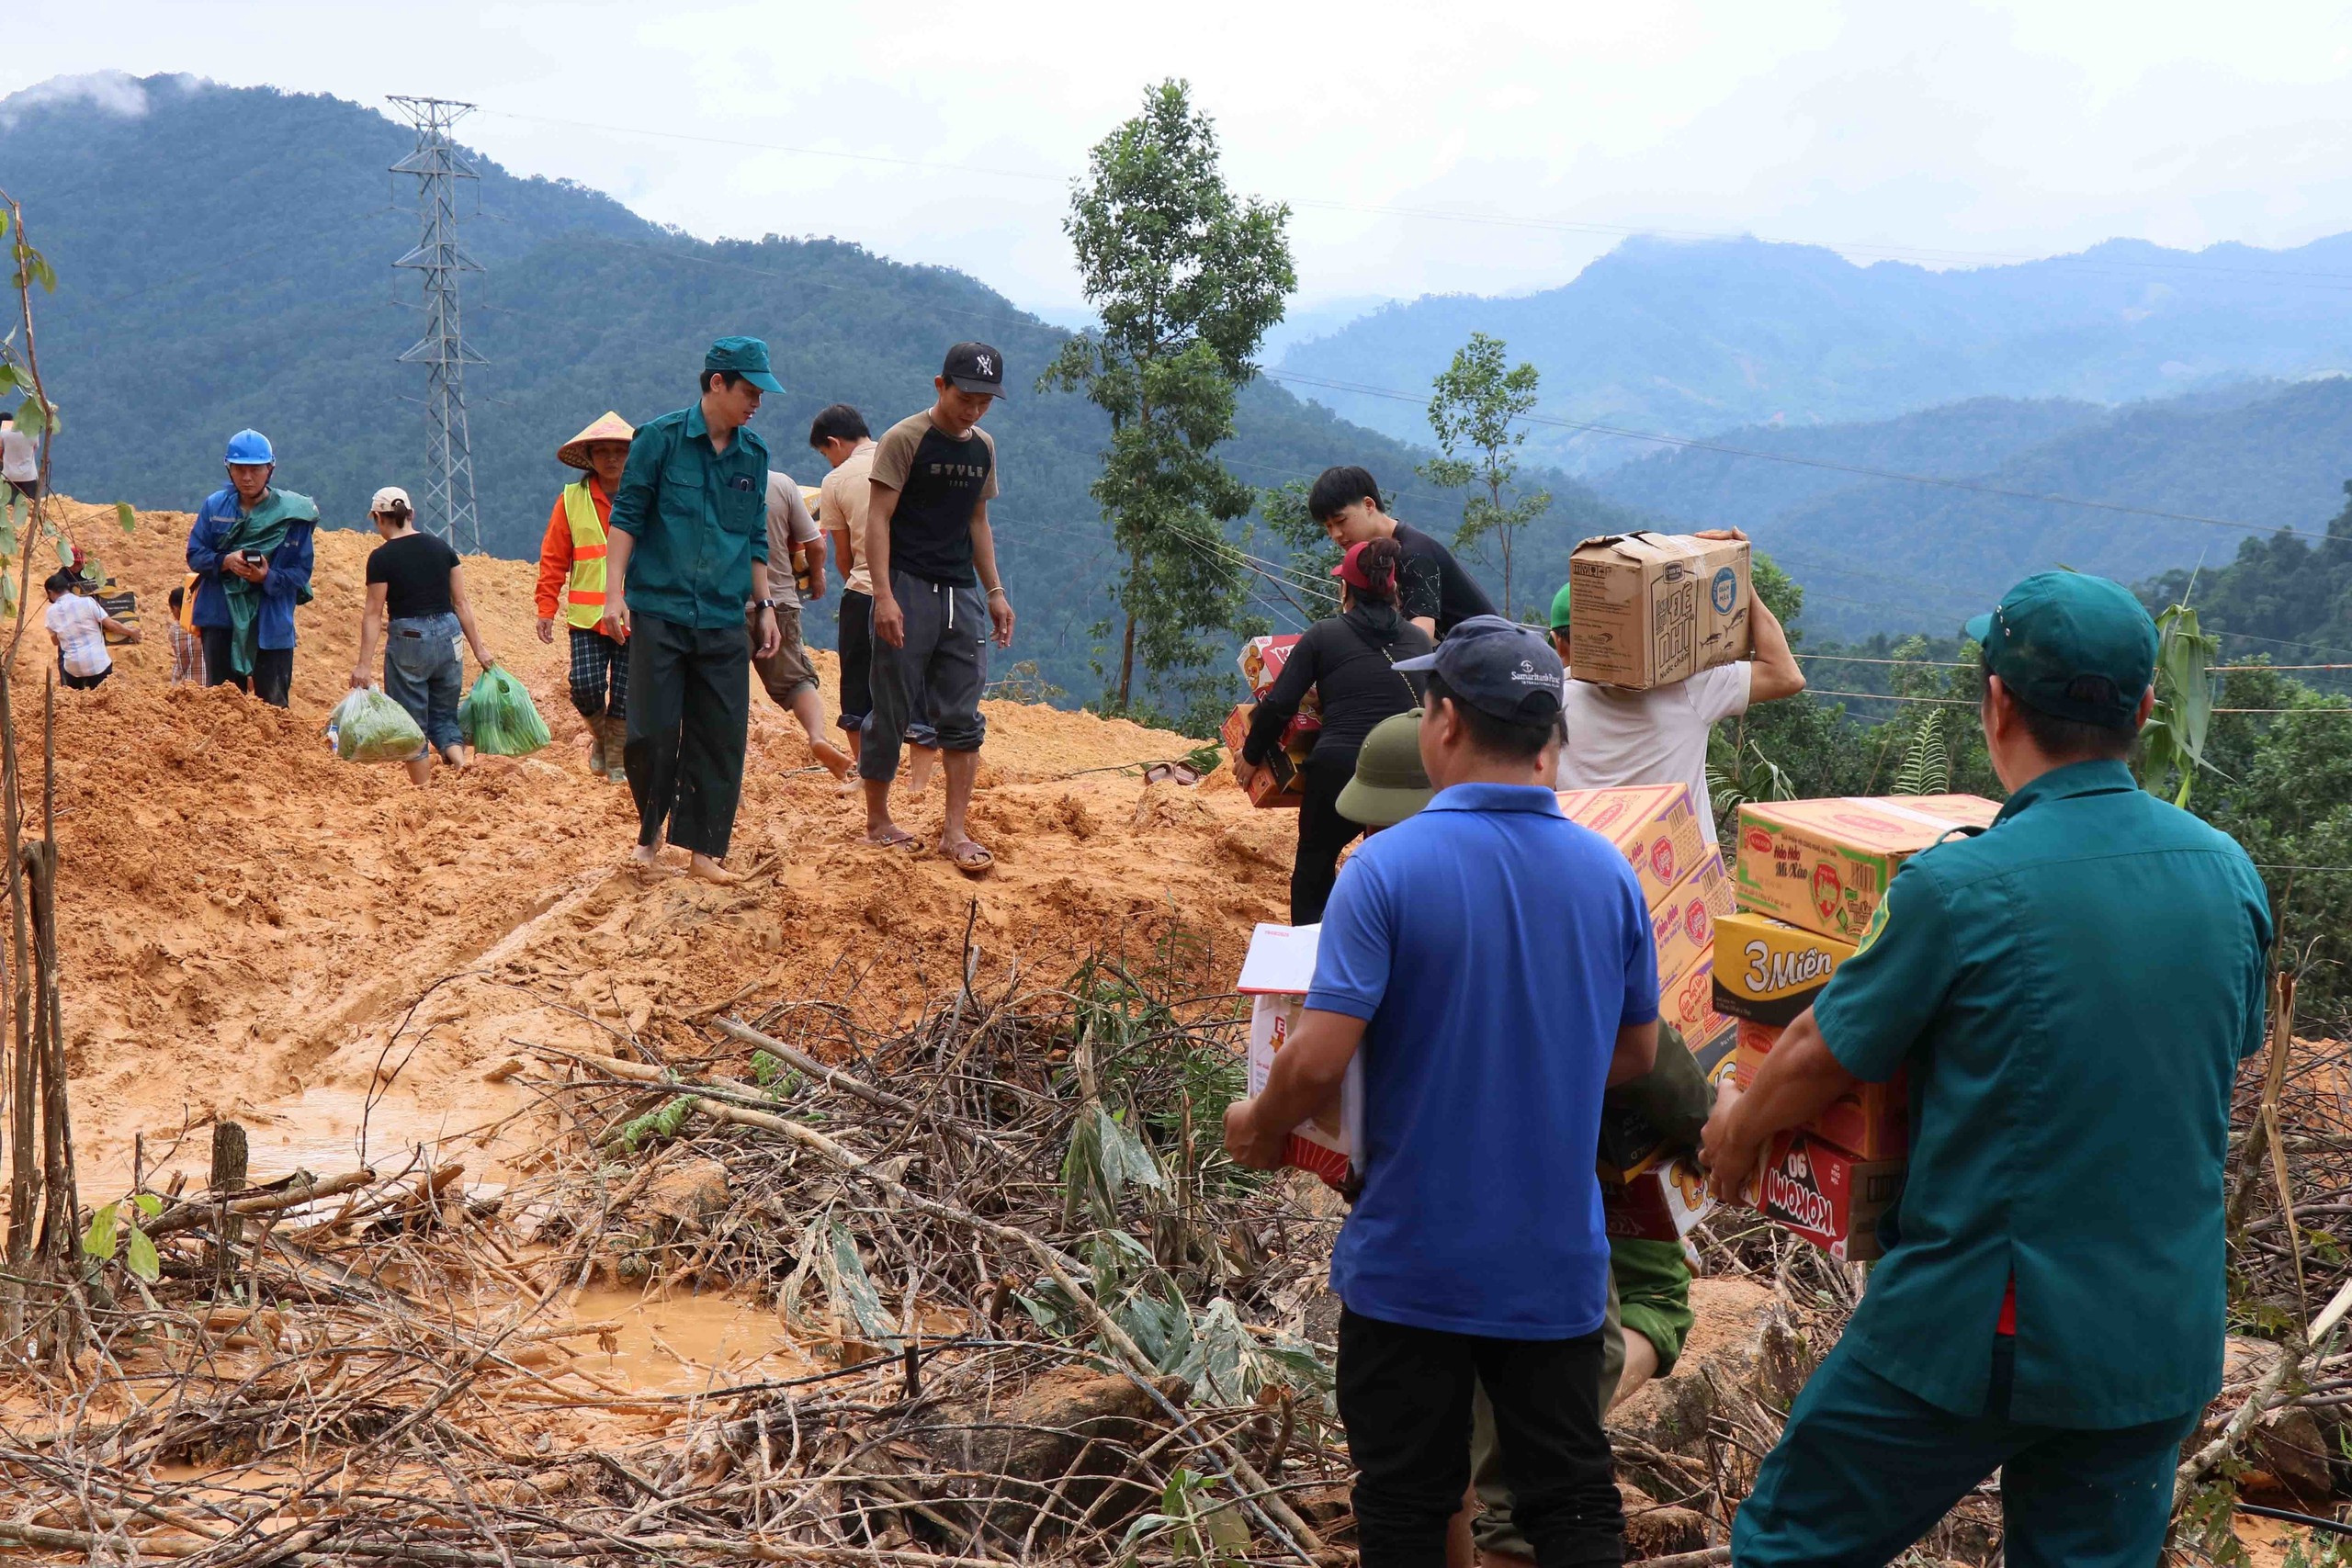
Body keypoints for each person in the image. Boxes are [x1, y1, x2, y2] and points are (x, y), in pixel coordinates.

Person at [1699, 571, 2274, 1566]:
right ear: (2143, 708)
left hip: (1983, 1324)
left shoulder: (1959, 886)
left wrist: (1735, 1137)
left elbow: (1816, 1052)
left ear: (1996, 701)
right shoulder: (2225, 871)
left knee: (1793, 1543)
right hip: (2155, 1337)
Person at [1225, 615, 1654, 1568]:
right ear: (1553, 733)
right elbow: (1635, 1054)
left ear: (1445, 721)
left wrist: (1258, 1124)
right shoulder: (1607, 873)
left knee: (1407, 1504)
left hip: (1411, 1259)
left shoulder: (1384, 868)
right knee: (1571, 1498)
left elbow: (1321, 1053)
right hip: (1552, 1260)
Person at [1337, 714, 1713, 1568]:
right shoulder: (1574, 881)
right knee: (1532, 1467)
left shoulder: (1381, 900)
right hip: (1545, 1244)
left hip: (1429, 1254)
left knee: (1432, 1473)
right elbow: (1658, 1066)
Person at [604, 337, 786, 886]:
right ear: (717, 384)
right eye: (749, 391)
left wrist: (765, 603)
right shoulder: (658, 441)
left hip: (726, 616)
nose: (757, 402)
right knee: (651, 733)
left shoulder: (754, 454)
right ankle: (651, 829)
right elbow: (628, 517)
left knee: (720, 734)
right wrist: (613, 594)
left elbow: (756, 535)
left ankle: (704, 852)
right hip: (659, 609)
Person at [860, 343, 1017, 872]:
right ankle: (879, 820)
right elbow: (877, 518)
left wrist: (993, 591)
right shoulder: (904, 439)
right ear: (940, 385)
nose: (973, 410)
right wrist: (882, 594)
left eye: (984, 401)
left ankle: (955, 831)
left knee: (962, 711)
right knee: (893, 706)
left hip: (961, 593)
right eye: (965, 397)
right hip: (907, 585)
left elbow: (978, 521)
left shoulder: (983, 448)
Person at [1549, 527, 1805, 842]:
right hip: (1684, 880)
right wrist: (1738, 573)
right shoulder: (1690, 688)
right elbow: (1786, 676)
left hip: (1598, 878)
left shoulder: (1544, 706)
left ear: (1558, 644)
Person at [1234, 538, 1430, 924]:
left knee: (1315, 859)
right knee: (1394, 867)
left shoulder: (1324, 635)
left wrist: (1251, 754)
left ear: (1346, 590)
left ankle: (1312, 956)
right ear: (1393, 589)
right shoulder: (1419, 639)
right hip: (1410, 770)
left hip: (1341, 766)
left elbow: (1278, 704)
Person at [811, 402, 940, 785]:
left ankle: (868, 775)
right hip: (917, 591)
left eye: (825, 453)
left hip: (865, 591)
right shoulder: (908, 458)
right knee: (916, 686)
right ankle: (919, 784)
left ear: (834, 442)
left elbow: (844, 555)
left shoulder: (837, 480)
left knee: (857, 688)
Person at [351, 486, 498, 787]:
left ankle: (425, 791)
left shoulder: (381, 558)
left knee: (411, 723)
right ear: (411, 514)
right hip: (449, 636)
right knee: (444, 715)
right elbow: (461, 603)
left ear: (379, 518)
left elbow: (373, 614)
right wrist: (480, 650)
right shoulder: (442, 548)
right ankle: (461, 765)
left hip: (410, 639)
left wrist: (364, 665)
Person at [535, 412, 635, 783]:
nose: (611, 459)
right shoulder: (571, 500)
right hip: (587, 616)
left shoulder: (646, 495)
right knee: (585, 686)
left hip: (635, 614)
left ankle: (618, 761)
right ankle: (602, 738)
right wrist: (547, 606)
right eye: (603, 451)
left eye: (619, 452)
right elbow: (554, 557)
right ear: (590, 458)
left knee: (625, 694)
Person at [187, 428, 316, 707]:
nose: (247, 477)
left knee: (274, 705)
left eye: (255, 469)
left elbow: (301, 572)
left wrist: (268, 576)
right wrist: (224, 562)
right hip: (221, 617)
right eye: (239, 469)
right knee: (222, 702)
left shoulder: (293, 515)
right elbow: (195, 554)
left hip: (271, 623)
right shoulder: (214, 507)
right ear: (228, 468)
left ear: (270, 468)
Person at [1311, 465, 1495, 639]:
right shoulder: (1382, 554)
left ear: (1368, 505)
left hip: (1486, 657)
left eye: (1341, 521)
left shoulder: (1413, 554)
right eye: (1328, 526)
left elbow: (1422, 633)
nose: (1336, 534)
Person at [753, 471, 853, 780]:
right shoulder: (781, 484)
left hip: (724, 605)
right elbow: (816, 545)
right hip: (780, 600)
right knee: (797, 680)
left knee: (721, 687)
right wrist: (818, 576)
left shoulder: (708, 477)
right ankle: (817, 736)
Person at [44, 570, 138, 689]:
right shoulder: (87, 602)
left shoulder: (50, 613)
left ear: (50, 592)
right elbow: (111, 624)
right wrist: (131, 632)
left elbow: (55, 642)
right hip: (98, 664)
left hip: (73, 668)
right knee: (104, 699)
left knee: (74, 701)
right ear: (68, 587)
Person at [166, 585, 203, 684]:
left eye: (172, 611)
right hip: (207, 684)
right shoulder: (205, 625)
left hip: (184, 685)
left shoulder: (175, 631)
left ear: (176, 608)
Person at [1, 410, 38, 502]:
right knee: (32, 503)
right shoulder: (33, 434)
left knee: (8, 504)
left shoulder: (3, 434)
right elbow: (34, 449)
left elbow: (1, 451)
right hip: (29, 475)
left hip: (9, 475)